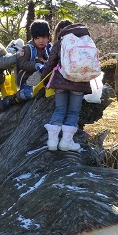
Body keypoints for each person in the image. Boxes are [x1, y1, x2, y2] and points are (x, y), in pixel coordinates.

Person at [41, 23, 92, 152]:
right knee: (73, 112)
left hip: (60, 81)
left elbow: (50, 63)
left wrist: (44, 80)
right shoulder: (87, 42)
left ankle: (52, 142)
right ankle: (66, 142)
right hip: (80, 83)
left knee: (59, 110)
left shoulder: (60, 43)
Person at [0, 19, 51, 111]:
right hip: (27, 79)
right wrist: (36, 65)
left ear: (48, 37)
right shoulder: (28, 48)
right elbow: (23, 64)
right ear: (33, 38)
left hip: (42, 80)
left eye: (44, 37)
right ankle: (12, 99)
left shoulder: (48, 49)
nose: (41, 41)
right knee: (29, 93)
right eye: (37, 38)